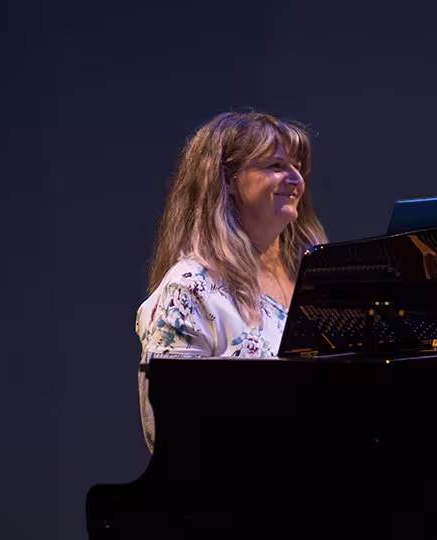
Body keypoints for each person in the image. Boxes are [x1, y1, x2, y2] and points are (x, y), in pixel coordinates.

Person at [135, 111, 328, 451]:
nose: (296, 179)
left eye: (298, 166)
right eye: (275, 166)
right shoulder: (190, 290)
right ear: (227, 179)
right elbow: (169, 435)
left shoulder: (317, 276)